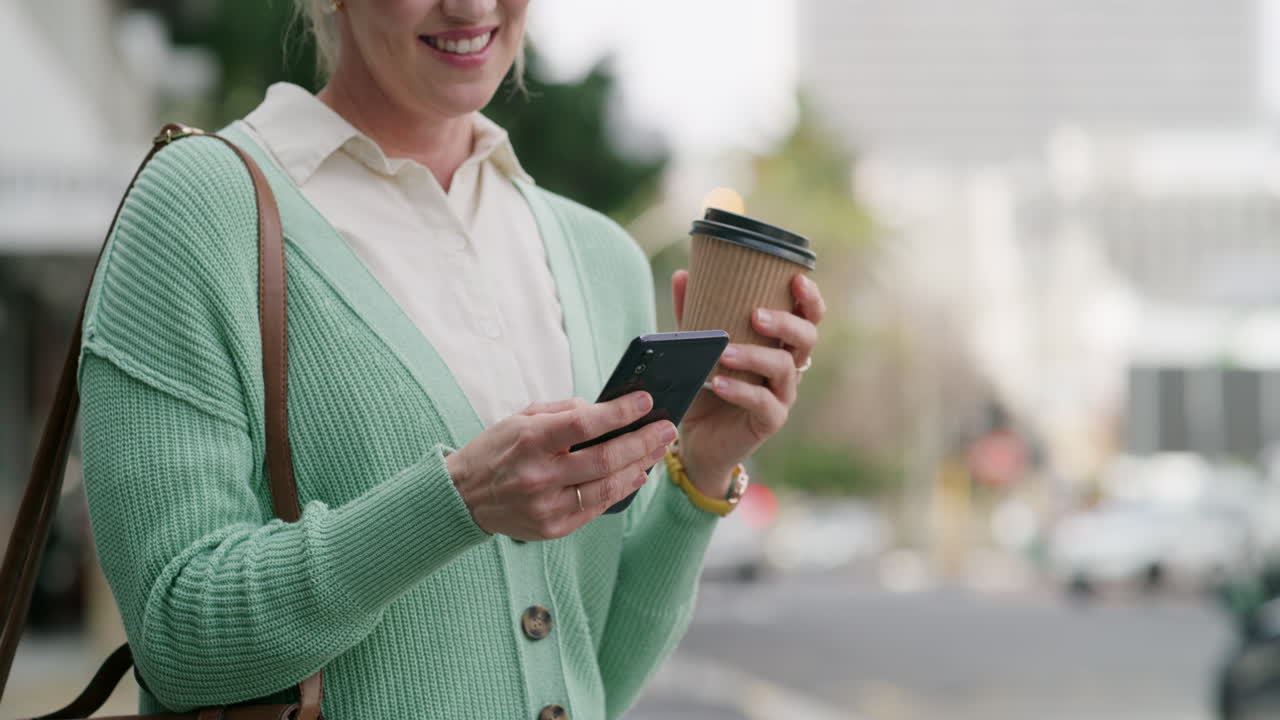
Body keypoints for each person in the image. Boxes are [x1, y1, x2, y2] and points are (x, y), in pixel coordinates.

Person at [77, 0, 826, 718]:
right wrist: (457, 500)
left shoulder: (602, 258)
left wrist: (701, 467)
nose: (472, 6)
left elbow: (596, 680)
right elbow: (174, 637)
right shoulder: (199, 207)